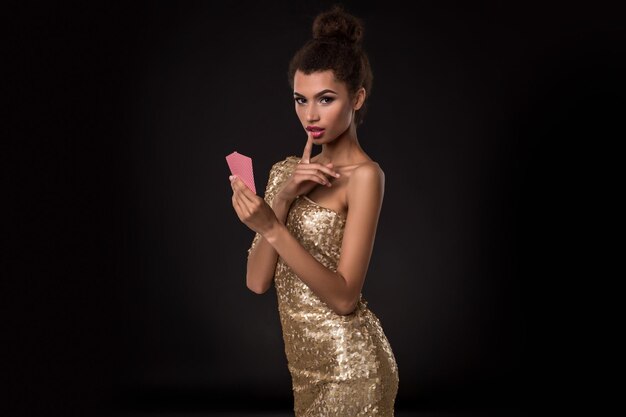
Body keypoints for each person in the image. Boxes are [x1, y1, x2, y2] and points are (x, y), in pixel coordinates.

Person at [229, 4, 398, 416]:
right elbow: (256, 282)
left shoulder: (365, 177)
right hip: (305, 372)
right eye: (300, 100)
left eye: (325, 99)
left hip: (352, 369)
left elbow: (344, 298)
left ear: (357, 98)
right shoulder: (284, 172)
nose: (310, 115)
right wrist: (283, 198)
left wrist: (271, 226)